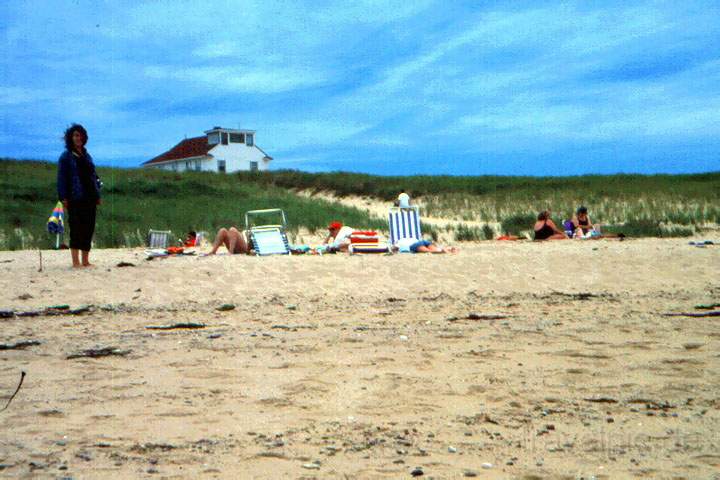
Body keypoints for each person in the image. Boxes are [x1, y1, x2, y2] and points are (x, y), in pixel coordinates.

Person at [57, 124, 101, 268]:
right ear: (71, 137)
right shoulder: (66, 157)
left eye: (80, 135)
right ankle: (75, 262)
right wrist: (63, 197)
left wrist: (97, 194)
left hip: (90, 197)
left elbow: (94, 176)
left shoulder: (87, 155)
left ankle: (85, 261)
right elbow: (62, 178)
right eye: (75, 135)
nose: (78, 138)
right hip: (74, 197)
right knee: (76, 228)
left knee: (89, 228)